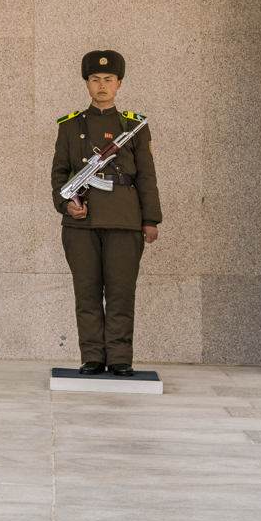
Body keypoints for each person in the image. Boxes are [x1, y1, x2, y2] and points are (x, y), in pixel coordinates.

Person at [52, 50, 160, 377]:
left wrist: (150, 219)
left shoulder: (134, 126)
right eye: (95, 80)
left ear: (119, 84)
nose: (102, 85)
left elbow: (147, 175)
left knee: (121, 292)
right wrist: (66, 204)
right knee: (86, 291)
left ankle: (121, 357)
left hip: (124, 219)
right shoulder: (70, 127)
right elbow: (59, 175)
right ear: (86, 84)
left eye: (108, 80)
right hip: (81, 225)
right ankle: (92, 357)